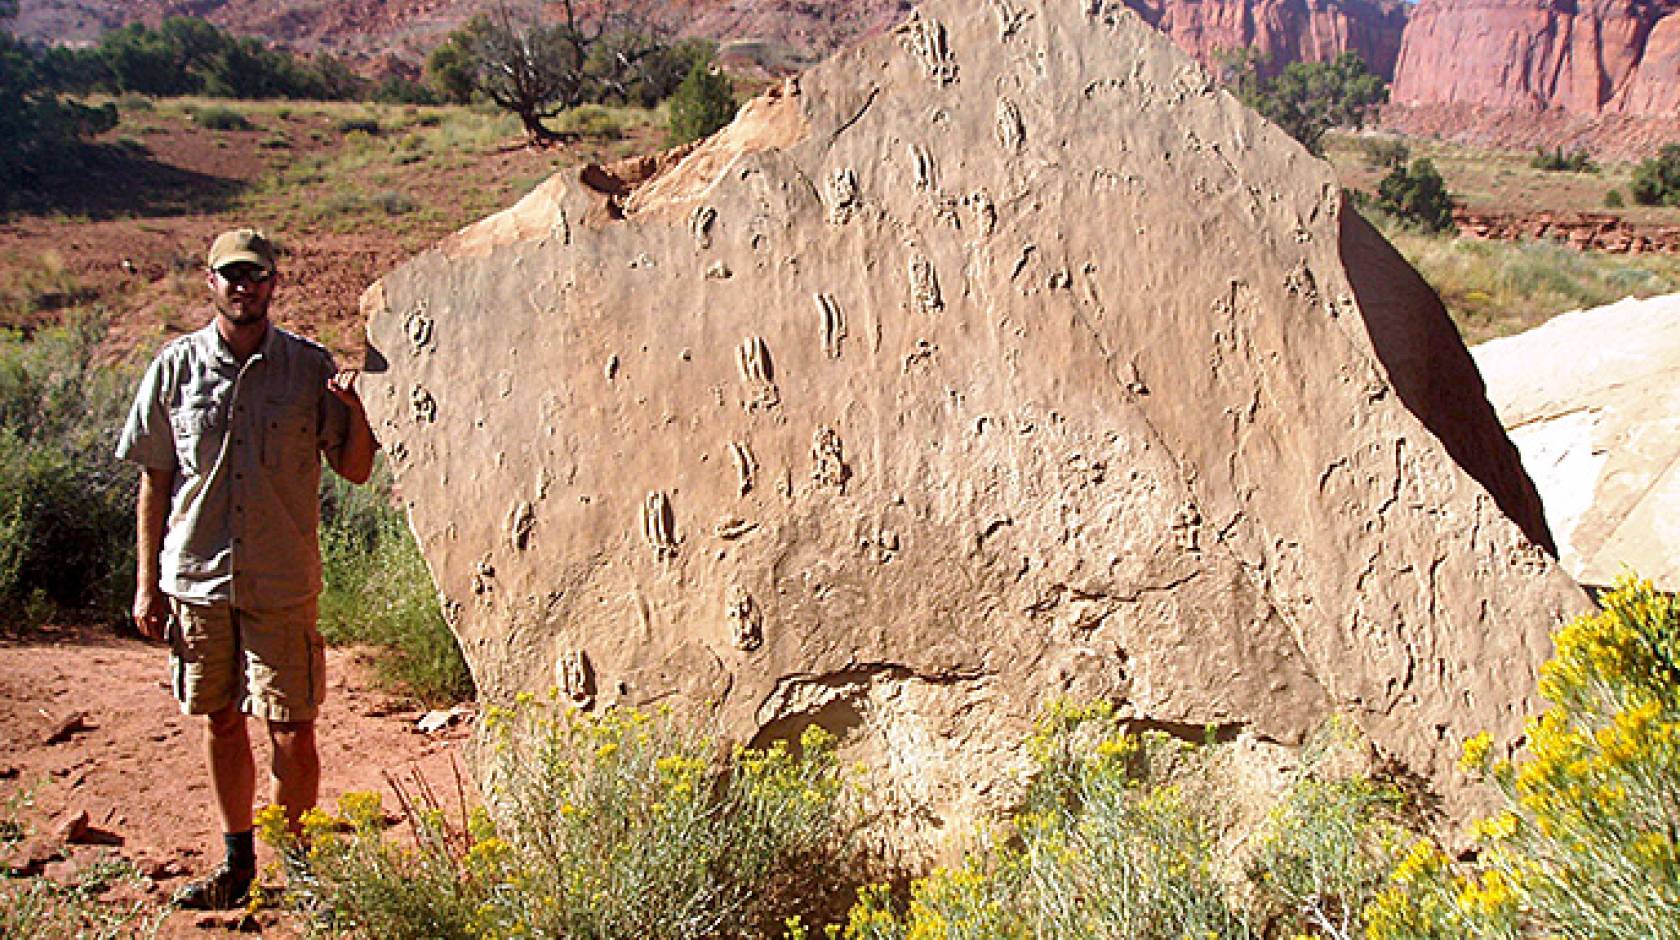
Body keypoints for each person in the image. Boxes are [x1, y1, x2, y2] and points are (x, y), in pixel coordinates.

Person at [117, 228, 376, 910]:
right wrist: (147, 583)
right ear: (210, 282)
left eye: (255, 275)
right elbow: (155, 480)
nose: (244, 286)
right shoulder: (175, 367)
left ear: (273, 283)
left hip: (281, 578)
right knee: (221, 720)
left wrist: (357, 416)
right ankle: (237, 866)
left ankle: (302, 870)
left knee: (293, 727)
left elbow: (354, 471)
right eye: (231, 275)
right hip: (197, 577)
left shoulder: (307, 367)